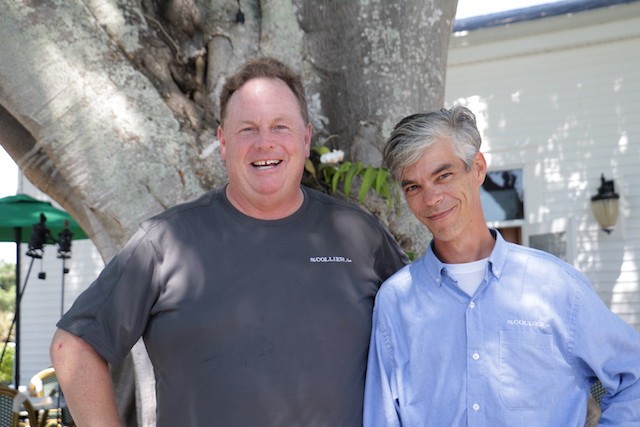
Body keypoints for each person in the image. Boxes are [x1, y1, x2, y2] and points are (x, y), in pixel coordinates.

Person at [50, 57, 408, 426]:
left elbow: (425, 334)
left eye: (280, 126)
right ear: (223, 142)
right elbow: (73, 345)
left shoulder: (359, 236)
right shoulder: (165, 243)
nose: (265, 143)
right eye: (247, 129)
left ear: (305, 139)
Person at [363, 106, 640, 426]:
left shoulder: (557, 286)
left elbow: (633, 375)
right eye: (414, 186)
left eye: (443, 176)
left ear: (478, 168)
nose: (431, 198)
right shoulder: (395, 302)